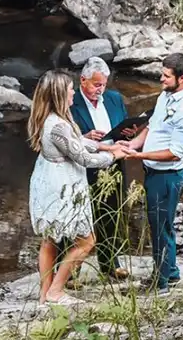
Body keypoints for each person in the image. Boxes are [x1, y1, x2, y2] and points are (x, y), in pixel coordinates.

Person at [27, 69, 127, 305]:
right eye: (70, 89)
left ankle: (44, 295)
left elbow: (77, 142)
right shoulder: (58, 125)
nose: (74, 92)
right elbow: (82, 158)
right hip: (62, 185)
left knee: (50, 240)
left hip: (47, 179)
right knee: (86, 241)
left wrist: (106, 147)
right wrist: (115, 156)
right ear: (60, 94)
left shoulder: (49, 117)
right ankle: (56, 290)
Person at [119, 53, 183, 294]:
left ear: (182, 78)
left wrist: (139, 156)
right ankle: (171, 272)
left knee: (159, 228)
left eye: (166, 76)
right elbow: (152, 126)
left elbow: (175, 153)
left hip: (167, 178)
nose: (161, 79)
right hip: (153, 173)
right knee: (162, 225)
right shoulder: (166, 95)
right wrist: (133, 145)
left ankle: (160, 283)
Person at [56, 57, 134, 281]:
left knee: (112, 213)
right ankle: (70, 270)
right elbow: (63, 136)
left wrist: (128, 133)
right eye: (96, 84)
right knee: (78, 216)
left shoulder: (114, 98)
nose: (101, 89)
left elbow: (124, 124)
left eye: (104, 84)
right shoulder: (70, 102)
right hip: (83, 166)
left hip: (114, 161)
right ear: (83, 80)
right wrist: (84, 137)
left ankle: (111, 263)